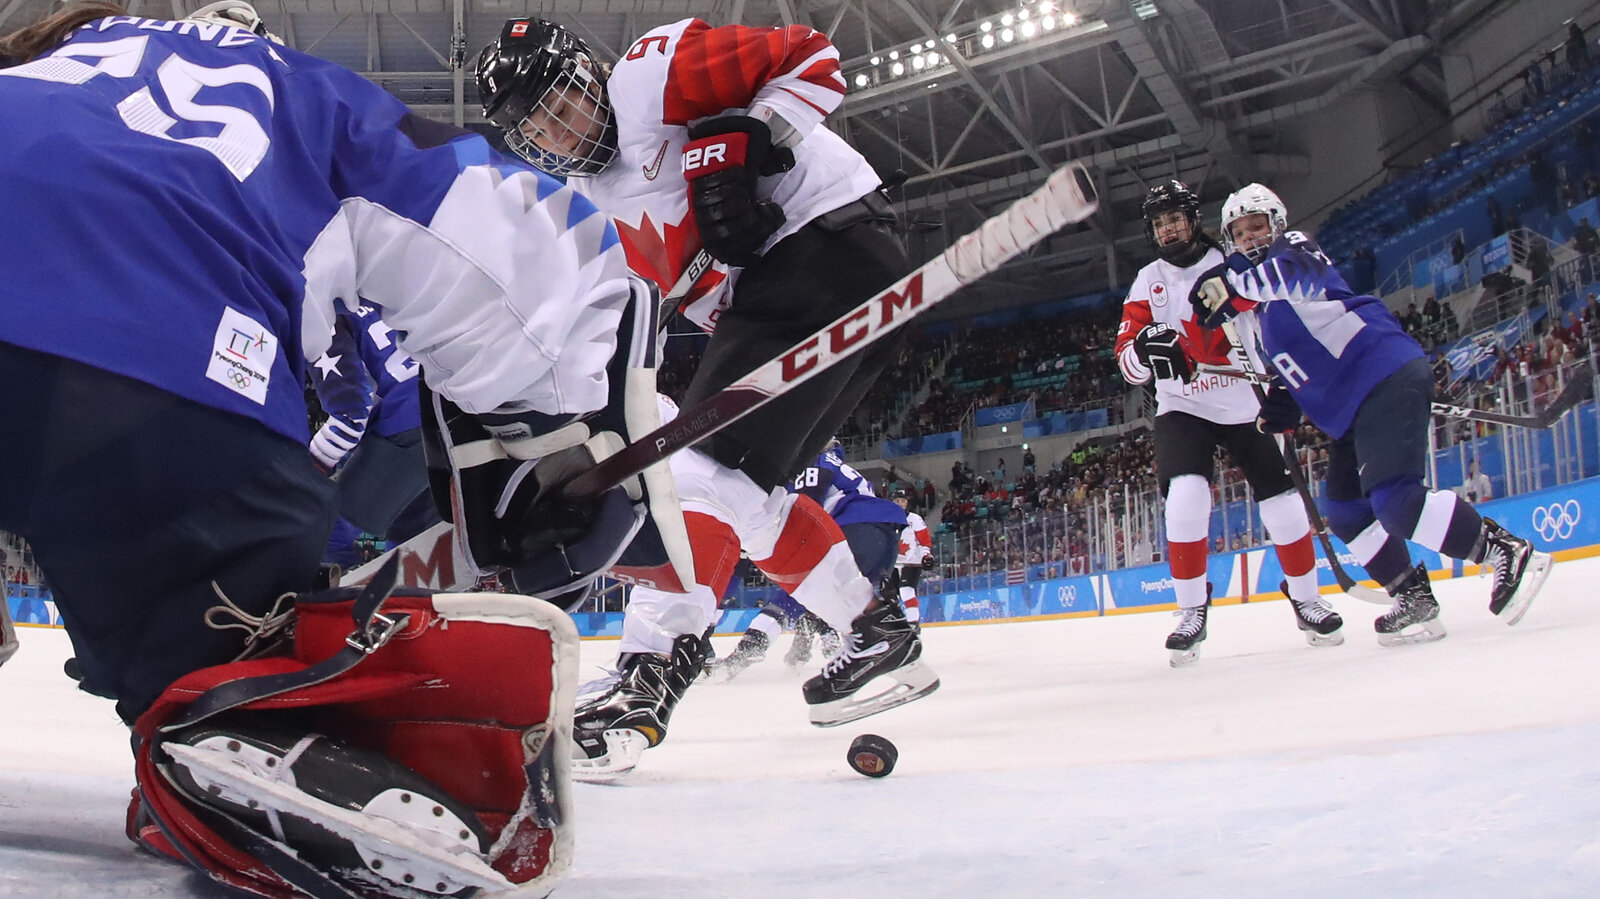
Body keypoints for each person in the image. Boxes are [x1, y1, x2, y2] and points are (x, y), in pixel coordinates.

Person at [0, 2, 662, 894]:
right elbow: (500, 231)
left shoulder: (24, 81)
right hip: (161, 355)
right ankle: (231, 717)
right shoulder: (294, 91)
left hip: (130, 350)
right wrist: (564, 442)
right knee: (210, 665)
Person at [474, 16, 930, 723]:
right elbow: (604, 340)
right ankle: (878, 633)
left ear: (588, 72)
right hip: (832, 290)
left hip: (823, 247)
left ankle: (648, 677)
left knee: (696, 470)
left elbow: (813, 56)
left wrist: (755, 140)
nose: (559, 131)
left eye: (561, 102)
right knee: (747, 497)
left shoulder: (648, 76)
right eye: (538, 128)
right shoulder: (588, 217)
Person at [1191, 183, 1553, 645]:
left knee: (1396, 503)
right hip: (1350, 412)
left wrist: (1232, 286)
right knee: (1345, 512)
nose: (1250, 238)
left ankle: (1504, 550)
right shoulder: (1261, 316)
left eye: (1257, 226)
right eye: (1239, 233)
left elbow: (1293, 276)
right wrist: (1281, 405)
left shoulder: (1296, 250)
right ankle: (1411, 593)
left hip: (1383, 376)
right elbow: (1298, 366)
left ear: (1277, 224)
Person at [1114, 180, 1342, 666]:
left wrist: (1281, 379)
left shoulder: (1230, 261)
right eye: (1160, 222)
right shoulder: (1146, 280)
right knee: (1186, 498)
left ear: (1194, 219)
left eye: (1176, 217)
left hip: (1245, 398)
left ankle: (1306, 598)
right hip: (1183, 404)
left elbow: (1269, 320)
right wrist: (1146, 355)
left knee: (1282, 502)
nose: (1169, 228)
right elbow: (1126, 360)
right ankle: (1191, 610)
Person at [709, 445, 909, 682]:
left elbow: (805, 509)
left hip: (861, 529)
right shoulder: (836, 466)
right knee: (841, 601)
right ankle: (896, 646)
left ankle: (746, 651)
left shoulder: (818, 462)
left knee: (799, 586)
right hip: (883, 538)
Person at [886, 488, 932, 628]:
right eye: (897, 501)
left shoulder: (915, 519)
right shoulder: (885, 519)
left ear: (907, 503)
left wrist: (926, 555)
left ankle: (913, 624)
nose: (900, 503)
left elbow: (924, 540)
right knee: (890, 595)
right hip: (893, 563)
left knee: (906, 591)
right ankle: (897, 624)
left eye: (903, 501)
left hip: (912, 562)